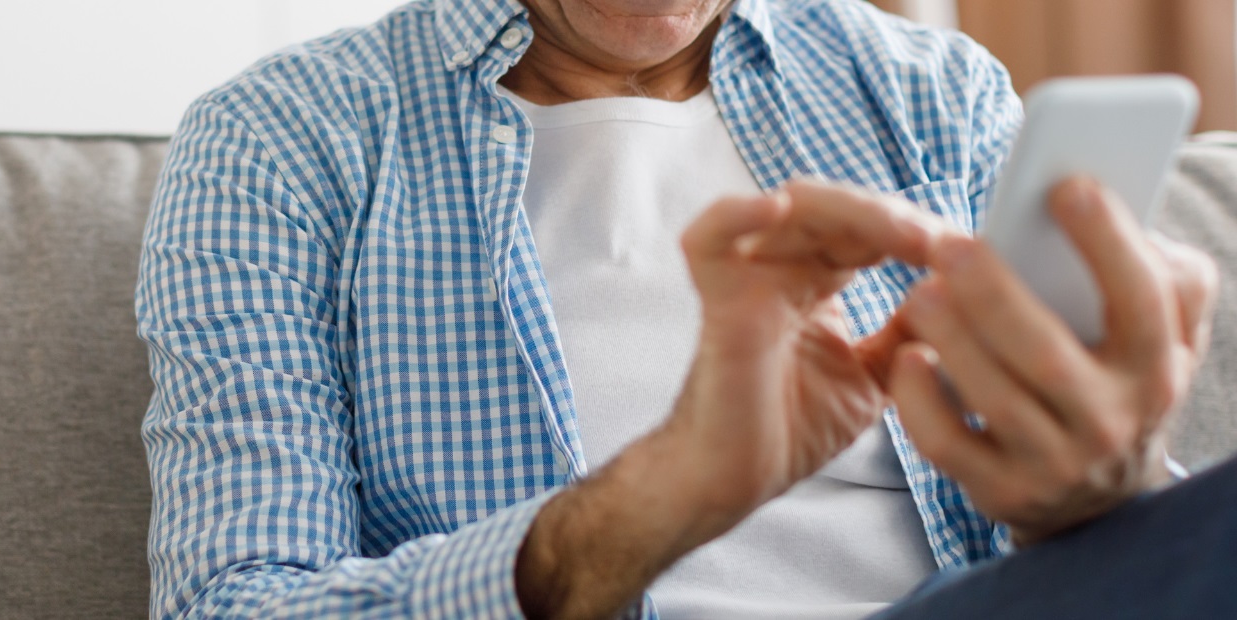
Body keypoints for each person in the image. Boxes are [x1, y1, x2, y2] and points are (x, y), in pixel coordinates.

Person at [135, 0, 1229, 617]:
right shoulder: (283, 136)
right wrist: (668, 491)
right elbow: (235, 604)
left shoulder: (930, 88)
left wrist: (1107, 487)